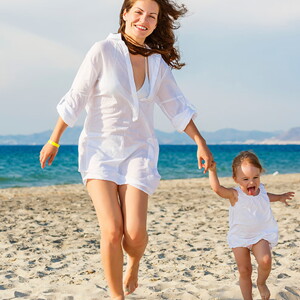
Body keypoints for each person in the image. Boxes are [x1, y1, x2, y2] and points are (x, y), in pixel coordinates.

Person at [39, 0, 213, 299]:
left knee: (134, 236)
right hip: (99, 151)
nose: (143, 20)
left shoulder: (156, 63)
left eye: (151, 16)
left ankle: (133, 263)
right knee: (112, 230)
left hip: (139, 152)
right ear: (125, 14)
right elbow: (77, 96)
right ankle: (117, 296)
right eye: (138, 12)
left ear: (157, 23)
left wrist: (200, 142)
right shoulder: (102, 51)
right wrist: (54, 139)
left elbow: (176, 106)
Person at [208, 151, 294, 300]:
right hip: (240, 237)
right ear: (236, 179)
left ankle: (261, 283)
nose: (251, 182)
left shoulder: (262, 191)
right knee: (244, 270)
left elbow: (266, 198)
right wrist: (212, 171)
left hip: (261, 235)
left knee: (266, 261)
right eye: (246, 179)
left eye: (255, 177)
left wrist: (280, 197)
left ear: (260, 174)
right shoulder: (234, 194)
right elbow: (217, 189)